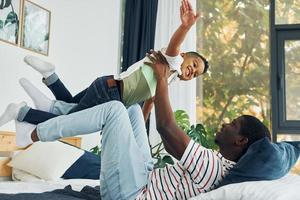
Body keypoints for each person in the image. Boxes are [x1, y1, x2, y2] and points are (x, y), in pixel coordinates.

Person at [13, 51, 271, 199]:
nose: (226, 123)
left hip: (132, 192)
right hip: (145, 174)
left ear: (241, 141)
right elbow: (149, 104)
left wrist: (161, 77)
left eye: (234, 124)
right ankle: (41, 101)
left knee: (114, 109)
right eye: (192, 65)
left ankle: (35, 132)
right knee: (130, 110)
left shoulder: (213, 166)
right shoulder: (219, 162)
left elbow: (167, 128)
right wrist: (139, 118)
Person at [0, 0, 209, 130]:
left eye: (195, 74)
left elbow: (148, 105)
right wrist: (185, 26)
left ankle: (51, 74)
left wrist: (138, 133)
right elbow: (175, 46)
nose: (192, 71)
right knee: (67, 121)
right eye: (194, 64)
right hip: (111, 93)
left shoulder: (165, 79)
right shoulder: (171, 62)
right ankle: (21, 112)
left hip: (108, 87)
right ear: (184, 56)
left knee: (69, 105)